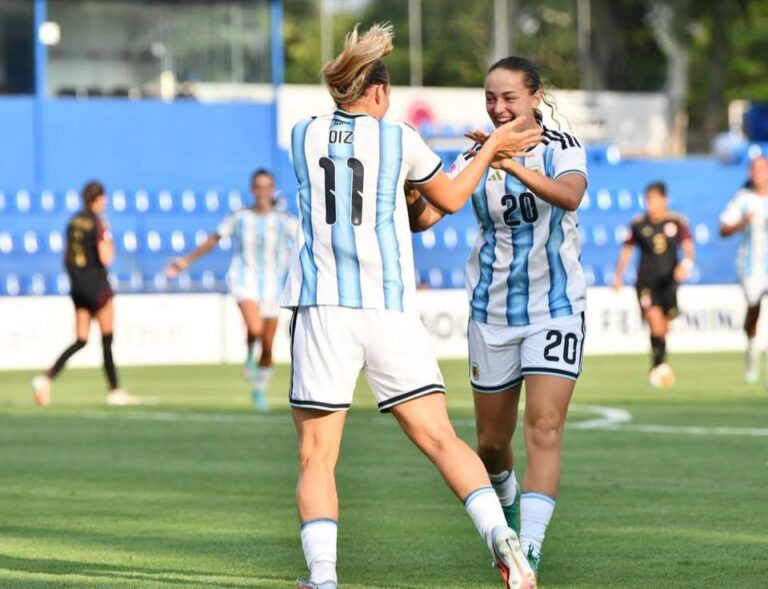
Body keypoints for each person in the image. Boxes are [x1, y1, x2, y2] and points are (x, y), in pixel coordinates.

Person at [284, 24, 541, 589]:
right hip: (390, 309)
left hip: (323, 308)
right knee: (442, 439)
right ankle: (504, 540)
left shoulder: (300, 134)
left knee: (317, 457)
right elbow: (444, 201)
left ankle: (323, 579)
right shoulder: (399, 138)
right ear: (377, 92)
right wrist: (492, 149)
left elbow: (392, 204)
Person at [408, 55, 588, 581]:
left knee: (546, 427)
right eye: (490, 97)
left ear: (535, 97)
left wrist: (508, 163)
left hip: (556, 308)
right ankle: (507, 513)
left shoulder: (563, 148)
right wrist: (409, 183)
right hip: (490, 314)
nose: (498, 106)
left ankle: (527, 549)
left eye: (509, 97)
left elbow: (571, 195)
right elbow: (426, 219)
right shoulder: (474, 154)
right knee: (490, 443)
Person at [166, 169, 297, 411]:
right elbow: (213, 240)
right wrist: (185, 261)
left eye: (267, 187)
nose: (262, 192)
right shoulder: (239, 217)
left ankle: (258, 389)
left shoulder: (284, 220)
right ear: (252, 190)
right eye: (258, 187)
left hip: (273, 286)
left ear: (273, 189)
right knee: (256, 327)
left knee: (268, 346)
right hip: (243, 280)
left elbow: (305, 243)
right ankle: (249, 352)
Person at [32, 181, 137, 406]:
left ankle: (45, 378)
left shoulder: (73, 222)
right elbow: (106, 257)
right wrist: (108, 239)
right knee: (107, 338)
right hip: (97, 285)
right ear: (97, 199)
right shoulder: (98, 223)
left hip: (78, 286)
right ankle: (114, 389)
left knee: (81, 339)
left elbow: (66, 256)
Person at [614, 181, 694, 386]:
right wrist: (618, 275)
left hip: (669, 282)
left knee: (663, 328)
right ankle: (660, 367)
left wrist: (685, 264)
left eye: (654, 199)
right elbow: (627, 249)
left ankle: (658, 364)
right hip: (646, 282)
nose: (650, 204)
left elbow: (688, 247)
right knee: (654, 321)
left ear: (664, 200)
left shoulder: (677, 222)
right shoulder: (639, 223)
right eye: (648, 199)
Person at [720, 156, 768, 384]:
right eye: (754, 168)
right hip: (752, 268)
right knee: (754, 311)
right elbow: (723, 228)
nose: (757, 172)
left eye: (761, 168)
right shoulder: (744, 198)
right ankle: (751, 350)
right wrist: (742, 223)